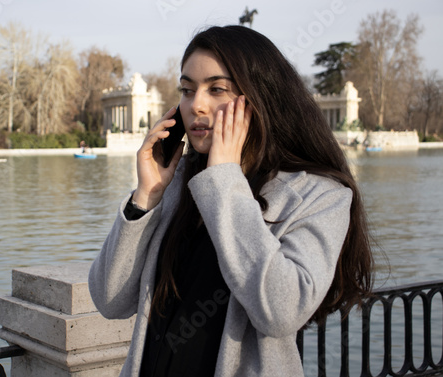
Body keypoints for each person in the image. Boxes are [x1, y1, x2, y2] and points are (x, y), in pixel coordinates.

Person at [89, 25, 374, 377]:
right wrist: (145, 197)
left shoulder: (320, 195)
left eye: (217, 89)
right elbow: (110, 300)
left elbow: (280, 311)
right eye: (187, 90)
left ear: (260, 97)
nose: (197, 105)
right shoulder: (177, 184)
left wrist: (224, 178)